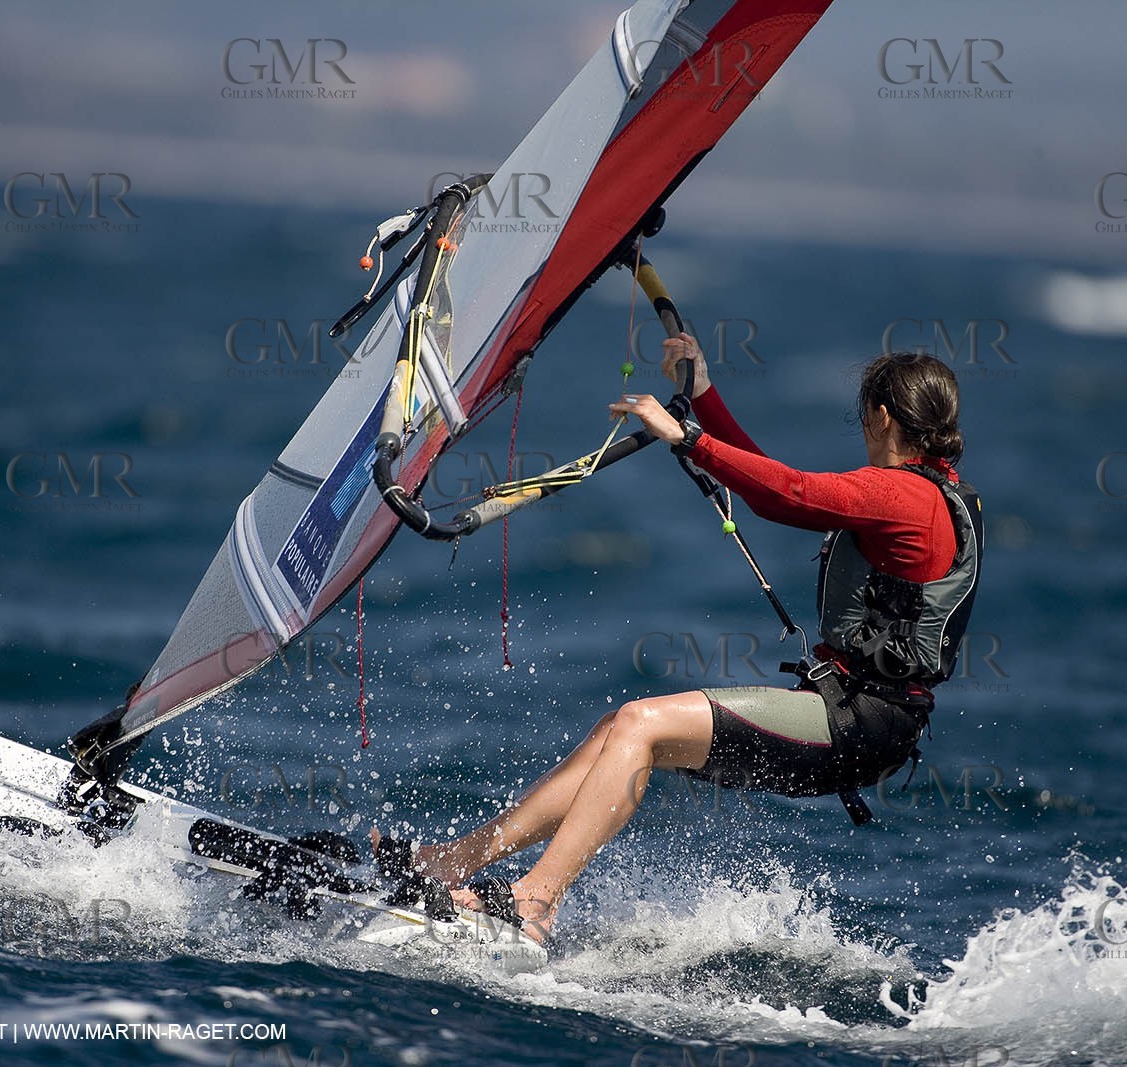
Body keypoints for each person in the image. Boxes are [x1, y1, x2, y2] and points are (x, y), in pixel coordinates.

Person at [374, 337, 983, 947]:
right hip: (857, 718)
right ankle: (449, 863)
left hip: (859, 722)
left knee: (641, 723)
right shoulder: (930, 494)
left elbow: (791, 493)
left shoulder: (904, 496)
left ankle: (534, 902)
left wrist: (688, 438)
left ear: (880, 416)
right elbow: (765, 479)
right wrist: (703, 397)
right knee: (617, 731)